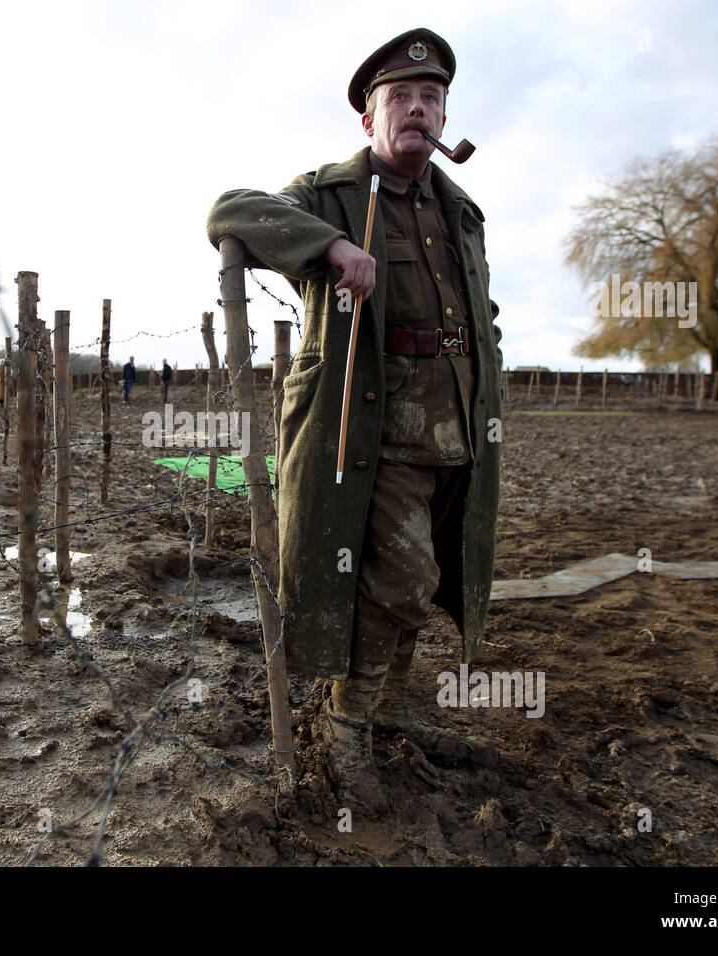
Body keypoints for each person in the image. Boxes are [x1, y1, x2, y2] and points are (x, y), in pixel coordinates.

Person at [206, 28, 503, 812]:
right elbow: (231, 209)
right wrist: (331, 246)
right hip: (370, 429)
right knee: (401, 582)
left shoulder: (460, 208)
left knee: (420, 582)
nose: (417, 109)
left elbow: (481, 312)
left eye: (430, 98)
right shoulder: (333, 193)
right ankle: (345, 731)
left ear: (445, 117)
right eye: (399, 98)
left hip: (460, 430)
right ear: (368, 120)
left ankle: (373, 714)